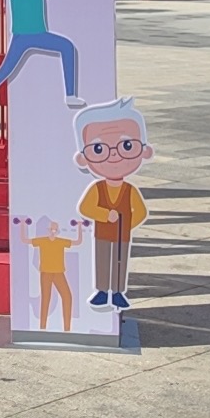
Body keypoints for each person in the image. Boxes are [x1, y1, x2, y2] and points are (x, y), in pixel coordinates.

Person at [74, 98, 151, 312]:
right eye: (99, 148)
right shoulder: (97, 188)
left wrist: (126, 225)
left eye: (127, 146)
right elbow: (85, 208)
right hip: (102, 233)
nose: (114, 154)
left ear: (144, 151)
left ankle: (117, 292)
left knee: (119, 260)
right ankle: (101, 291)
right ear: (83, 159)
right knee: (102, 260)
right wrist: (104, 215)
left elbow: (141, 211)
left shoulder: (129, 190)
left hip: (121, 235)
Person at [18, 217, 83, 332]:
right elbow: (24, 240)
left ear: (57, 231)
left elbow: (78, 242)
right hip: (46, 273)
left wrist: (79, 226)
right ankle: (42, 328)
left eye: (55, 230)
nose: (53, 232)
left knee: (67, 297)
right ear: (48, 230)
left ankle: (67, 329)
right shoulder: (42, 240)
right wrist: (23, 224)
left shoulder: (60, 241)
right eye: (51, 230)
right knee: (45, 299)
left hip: (59, 273)